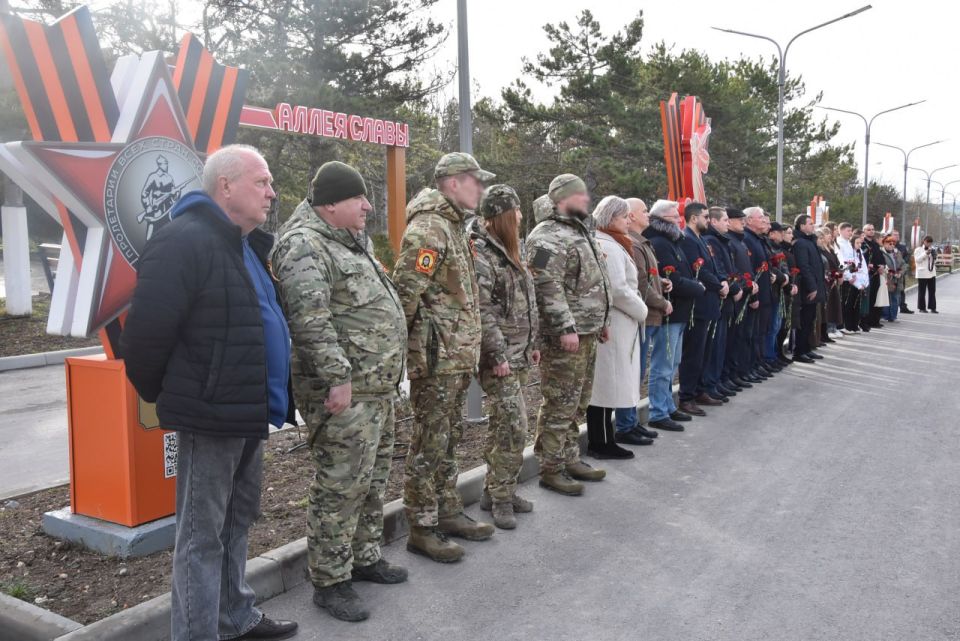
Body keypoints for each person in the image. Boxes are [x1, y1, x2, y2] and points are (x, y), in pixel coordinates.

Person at [120, 144, 298, 641]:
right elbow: (144, 339)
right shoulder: (184, 240)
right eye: (261, 182)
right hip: (210, 416)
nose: (271, 192)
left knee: (237, 521)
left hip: (248, 412)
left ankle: (234, 617)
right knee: (201, 537)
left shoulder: (243, 244)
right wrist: (184, 396)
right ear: (226, 185)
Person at [272, 161, 408, 622]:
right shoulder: (304, 246)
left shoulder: (350, 241)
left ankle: (364, 556)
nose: (368, 206)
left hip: (377, 387)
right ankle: (330, 581)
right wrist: (338, 378)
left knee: (371, 480)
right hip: (344, 392)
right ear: (331, 203)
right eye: (359, 198)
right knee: (340, 485)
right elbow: (311, 322)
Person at [393, 152, 494, 563]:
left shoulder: (452, 226)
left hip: (455, 355)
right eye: (475, 181)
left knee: (449, 440)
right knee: (429, 444)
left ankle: (448, 510)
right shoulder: (430, 228)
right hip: (436, 359)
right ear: (453, 182)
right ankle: (421, 525)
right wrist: (408, 352)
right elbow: (405, 293)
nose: (481, 189)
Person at [526, 174, 612, 496]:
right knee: (559, 402)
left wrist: (601, 320)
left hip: (587, 331)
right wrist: (565, 327)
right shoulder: (546, 236)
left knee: (578, 401)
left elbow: (594, 281)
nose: (587, 199)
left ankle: (569, 457)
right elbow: (546, 285)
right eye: (580, 195)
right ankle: (550, 467)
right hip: (567, 335)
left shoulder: (579, 230)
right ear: (563, 198)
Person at [471, 184, 540, 530]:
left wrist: (533, 344)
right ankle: (500, 497)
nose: (520, 218)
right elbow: (483, 312)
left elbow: (524, 302)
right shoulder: (483, 254)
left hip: (517, 353)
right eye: (515, 213)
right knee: (514, 425)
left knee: (506, 425)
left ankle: (496, 490)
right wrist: (497, 354)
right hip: (498, 358)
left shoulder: (508, 251)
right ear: (502, 217)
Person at [587, 196, 649, 458]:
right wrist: (642, 309)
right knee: (605, 385)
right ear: (611, 218)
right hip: (615, 322)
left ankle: (605, 439)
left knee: (610, 384)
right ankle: (600, 443)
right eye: (624, 217)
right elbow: (618, 289)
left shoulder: (614, 243)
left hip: (620, 322)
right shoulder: (608, 246)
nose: (628, 221)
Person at [643, 200, 705, 431]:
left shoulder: (673, 242)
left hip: (679, 313)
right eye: (673, 217)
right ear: (660, 219)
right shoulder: (661, 243)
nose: (679, 220)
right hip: (669, 313)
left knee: (673, 362)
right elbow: (674, 280)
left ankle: (667, 406)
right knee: (663, 364)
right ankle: (658, 411)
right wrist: (697, 287)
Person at [613, 198, 669, 443]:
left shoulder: (641, 242)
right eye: (643, 211)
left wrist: (664, 284)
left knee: (639, 372)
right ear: (631, 216)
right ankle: (625, 424)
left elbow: (649, 278)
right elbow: (639, 284)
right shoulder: (632, 244)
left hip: (647, 315)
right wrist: (661, 302)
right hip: (639, 315)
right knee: (633, 373)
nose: (648, 215)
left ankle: (631, 421)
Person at [677, 202, 727, 414]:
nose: (708, 220)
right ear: (693, 218)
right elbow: (699, 271)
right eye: (705, 217)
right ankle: (686, 396)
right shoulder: (688, 239)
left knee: (704, 352)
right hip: (698, 305)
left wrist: (723, 283)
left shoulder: (698, 239)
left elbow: (710, 267)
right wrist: (719, 285)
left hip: (709, 302)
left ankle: (699, 390)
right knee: (693, 354)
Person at [701, 206, 743, 400]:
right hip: (718, 298)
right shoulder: (711, 241)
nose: (727, 223)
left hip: (726, 298)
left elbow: (730, 269)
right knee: (715, 347)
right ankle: (710, 384)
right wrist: (733, 287)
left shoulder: (721, 241)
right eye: (724, 220)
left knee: (722, 346)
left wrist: (736, 285)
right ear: (714, 222)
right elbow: (718, 269)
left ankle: (716, 382)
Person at [724, 208, 759, 390]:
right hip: (737, 295)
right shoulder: (729, 241)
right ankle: (728, 375)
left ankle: (735, 373)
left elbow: (747, 267)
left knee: (741, 337)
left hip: (745, 294)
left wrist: (752, 286)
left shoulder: (740, 241)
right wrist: (744, 285)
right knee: (733, 339)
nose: (742, 222)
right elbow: (732, 269)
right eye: (738, 220)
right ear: (728, 221)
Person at [791, 214, 826, 363]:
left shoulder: (810, 241)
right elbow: (804, 267)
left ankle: (807, 348)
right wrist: (812, 287)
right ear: (801, 226)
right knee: (804, 320)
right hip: (807, 289)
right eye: (810, 223)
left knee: (810, 319)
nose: (813, 226)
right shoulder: (800, 243)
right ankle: (799, 351)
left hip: (815, 286)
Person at [835, 223, 860, 334]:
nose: (850, 233)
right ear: (841, 231)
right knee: (843, 303)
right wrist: (849, 276)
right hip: (845, 278)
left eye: (851, 231)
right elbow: (842, 262)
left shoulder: (848, 243)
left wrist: (854, 273)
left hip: (851, 275)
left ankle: (845, 325)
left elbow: (852, 260)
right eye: (848, 231)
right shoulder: (839, 243)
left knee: (848, 303)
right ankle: (841, 325)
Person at [862, 223, 885, 328]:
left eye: (872, 229)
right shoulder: (863, 244)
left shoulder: (875, 244)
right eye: (868, 229)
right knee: (868, 299)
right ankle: (866, 321)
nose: (871, 231)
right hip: (869, 274)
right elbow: (866, 260)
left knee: (876, 298)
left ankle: (875, 320)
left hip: (877, 274)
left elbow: (880, 257)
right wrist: (876, 267)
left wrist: (882, 266)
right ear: (864, 231)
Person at [880, 234, 904, 322]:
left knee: (895, 298)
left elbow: (903, 264)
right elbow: (882, 265)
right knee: (886, 297)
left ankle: (893, 316)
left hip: (897, 279)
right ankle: (884, 316)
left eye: (893, 243)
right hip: (886, 278)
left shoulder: (897, 253)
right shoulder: (881, 253)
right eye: (889, 243)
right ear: (884, 243)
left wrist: (900, 272)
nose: (891, 245)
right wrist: (890, 272)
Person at [892, 230, 914, 314]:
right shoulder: (888, 245)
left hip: (900, 272)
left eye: (898, 235)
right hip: (891, 271)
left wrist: (901, 267)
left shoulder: (902, 247)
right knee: (891, 290)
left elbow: (907, 258)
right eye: (895, 235)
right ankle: (890, 309)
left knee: (901, 289)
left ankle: (903, 306)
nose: (897, 236)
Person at [914, 235, 938, 313]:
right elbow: (917, 260)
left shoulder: (933, 249)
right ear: (924, 241)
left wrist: (934, 256)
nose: (929, 244)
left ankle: (933, 308)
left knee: (932, 291)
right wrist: (926, 253)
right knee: (922, 291)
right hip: (922, 274)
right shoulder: (918, 249)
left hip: (931, 273)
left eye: (930, 243)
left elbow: (935, 261)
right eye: (928, 242)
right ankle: (922, 308)